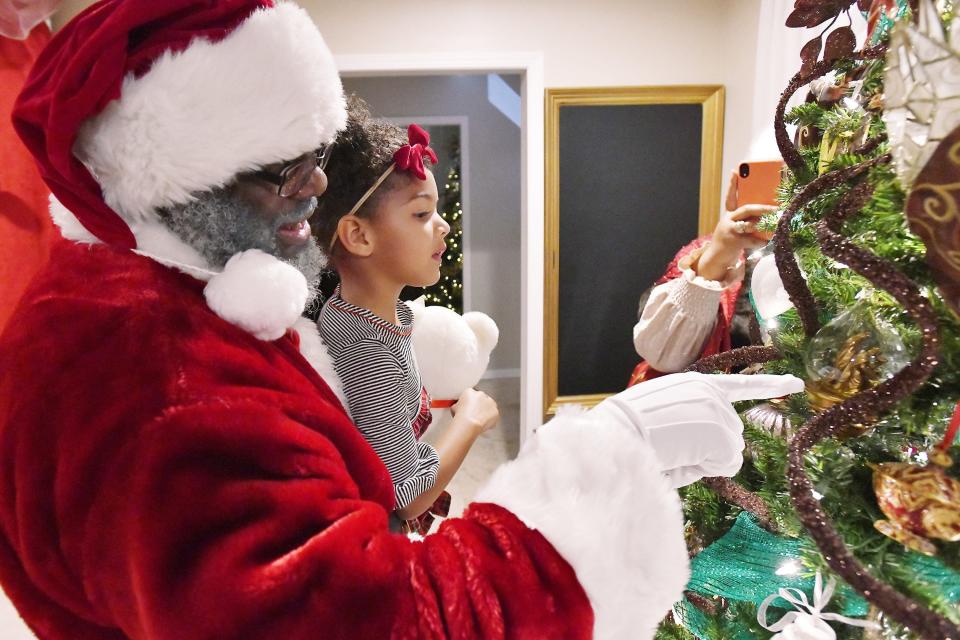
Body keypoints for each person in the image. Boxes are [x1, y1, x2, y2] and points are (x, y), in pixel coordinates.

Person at [0, 1, 804, 638]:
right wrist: (593, 461)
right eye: (288, 170)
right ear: (172, 177)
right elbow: (377, 606)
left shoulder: (181, 295)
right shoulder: (151, 373)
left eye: (318, 158)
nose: (313, 189)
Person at [314, 98, 498, 533]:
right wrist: (471, 421)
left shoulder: (364, 314)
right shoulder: (368, 353)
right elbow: (409, 498)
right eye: (421, 214)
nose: (444, 226)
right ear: (358, 235)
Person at [630, 172, 778, 383]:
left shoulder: (827, 264)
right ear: (733, 195)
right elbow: (662, 357)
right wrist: (716, 258)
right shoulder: (705, 254)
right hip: (710, 409)